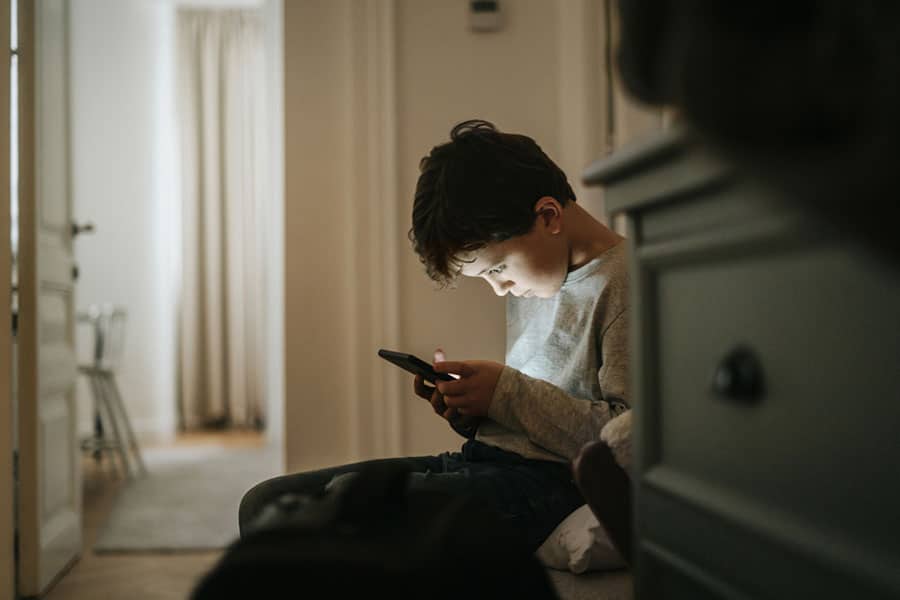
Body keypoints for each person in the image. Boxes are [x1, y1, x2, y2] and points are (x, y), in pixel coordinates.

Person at [238, 119, 632, 553]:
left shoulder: (627, 284)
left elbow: (627, 440)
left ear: (548, 216)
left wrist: (506, 392)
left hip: (553, 483)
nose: (499, 288)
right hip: (489, 463)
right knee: (265, 504)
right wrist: (475, 411)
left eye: (497, 269)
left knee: (347, 505)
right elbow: (531, 417)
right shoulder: (539, 276)